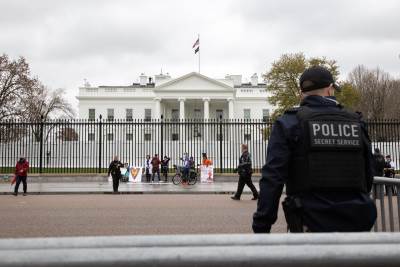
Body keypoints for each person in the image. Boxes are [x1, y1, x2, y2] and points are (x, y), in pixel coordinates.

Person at [252, 66, 377, 233]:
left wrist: (262, 225)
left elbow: (273, 179)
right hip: (356, 220)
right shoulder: (356, 122)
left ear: (301, 93)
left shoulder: (289, 122)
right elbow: (368, 174)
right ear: (330, 89)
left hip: (309, 221)